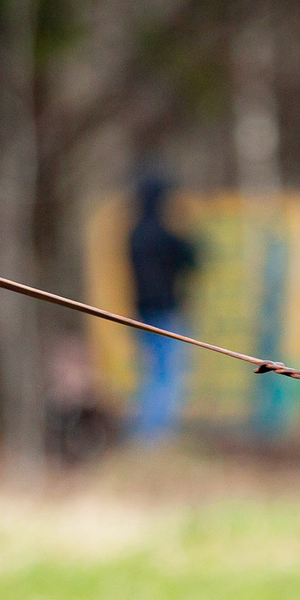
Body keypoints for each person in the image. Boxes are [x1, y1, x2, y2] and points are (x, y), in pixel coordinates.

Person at [126, 168, 199, 444]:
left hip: (141, 311)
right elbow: (194, 260)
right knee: (165, 375)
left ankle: (147, 433)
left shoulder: (134, 234)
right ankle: (153, 437)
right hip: (165, 311)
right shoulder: (166, 235)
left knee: (151, 374)